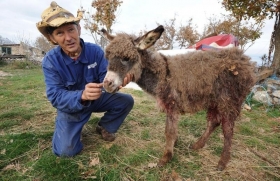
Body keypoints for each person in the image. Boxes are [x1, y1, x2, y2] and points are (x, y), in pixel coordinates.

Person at [36, 1, 134, 157]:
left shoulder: (95, 51)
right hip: (71, 107)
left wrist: (117, 82)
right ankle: (71, 128)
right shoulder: (51, 61)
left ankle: (105, 126)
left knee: (126, 100)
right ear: (52, 38)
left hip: (96, 99)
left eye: (71, 30)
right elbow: (55, 96)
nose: (68, 38)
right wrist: (81, 95)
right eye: (60, 33)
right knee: (65, 152)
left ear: (79, 29)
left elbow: (105, 76)